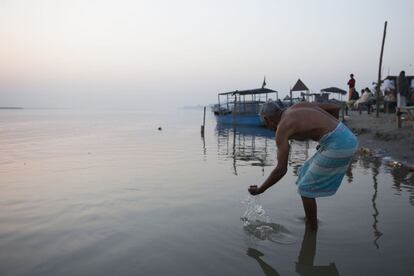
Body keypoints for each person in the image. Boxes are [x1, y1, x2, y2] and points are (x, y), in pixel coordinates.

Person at [248, 101, 358, 230]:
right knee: (303, 171)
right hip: (347, 136)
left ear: (267, 118)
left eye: (265, 123)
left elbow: (281, 169)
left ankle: (312, 227)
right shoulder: (296, 107)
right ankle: (309, 217)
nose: (267, 127)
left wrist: (261, 189)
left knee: (305, 189)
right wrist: (329, 131)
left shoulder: (282, 127)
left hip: (340, 145)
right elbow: (334, 106)